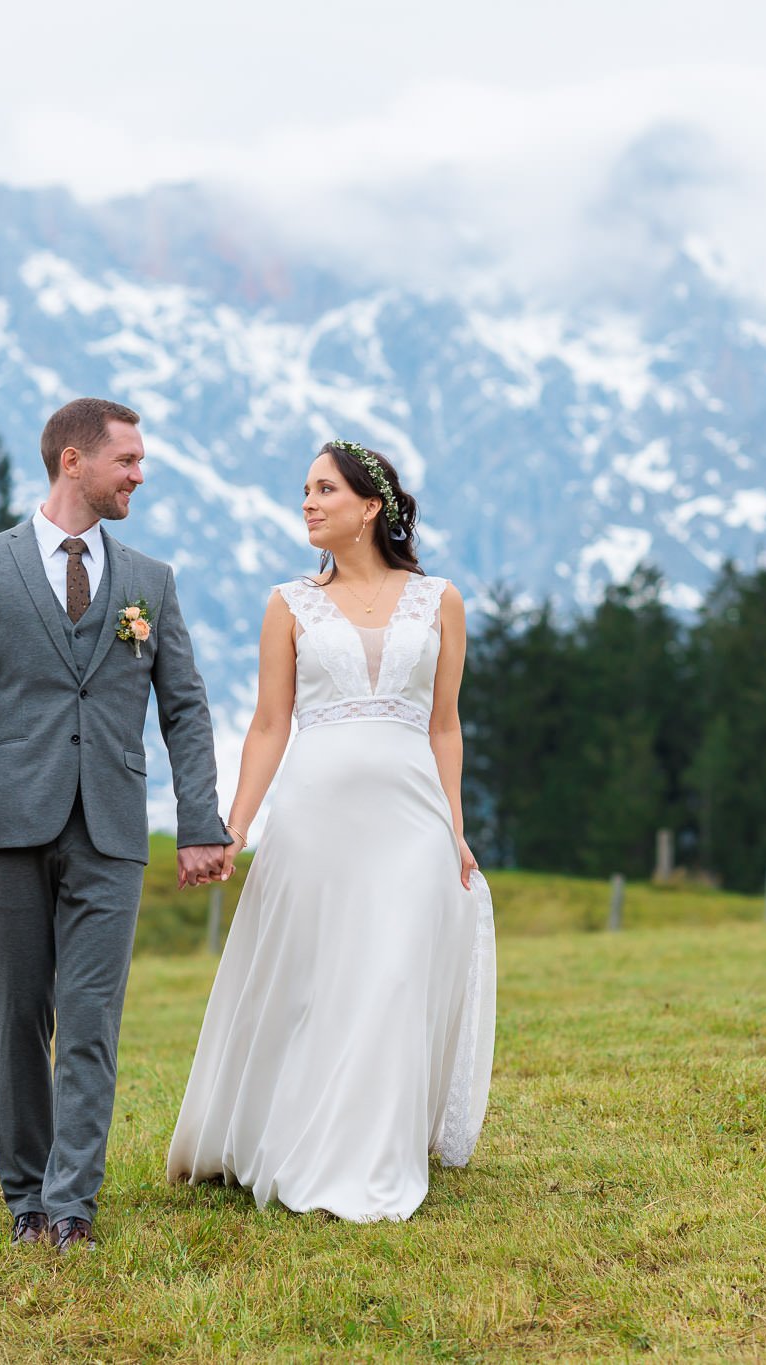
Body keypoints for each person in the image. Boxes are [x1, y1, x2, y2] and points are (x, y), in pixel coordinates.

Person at [0, 397, 233, 1253]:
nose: (139, 475)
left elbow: (187, 710)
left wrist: (201, 821)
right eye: (127, 460)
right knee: (20, 1016)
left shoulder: (150, 582)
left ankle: (71, 1208)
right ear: (73, 463)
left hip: (113, 828)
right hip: (9, 822)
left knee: (92, 1018)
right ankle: (24, 1197)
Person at [167, 439, 495, 1222]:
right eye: (304, 490)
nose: (307, 502)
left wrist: (455, 823)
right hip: (314, 816)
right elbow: (270, 724)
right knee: (317, 981)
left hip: (413, 817)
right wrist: (237, 824)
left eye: (324, 489)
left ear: (370, 505)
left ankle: (372, 1154)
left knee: (392, 975)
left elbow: (445, 726)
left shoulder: (439, 599)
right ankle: (294, 1135)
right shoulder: (289, 603)